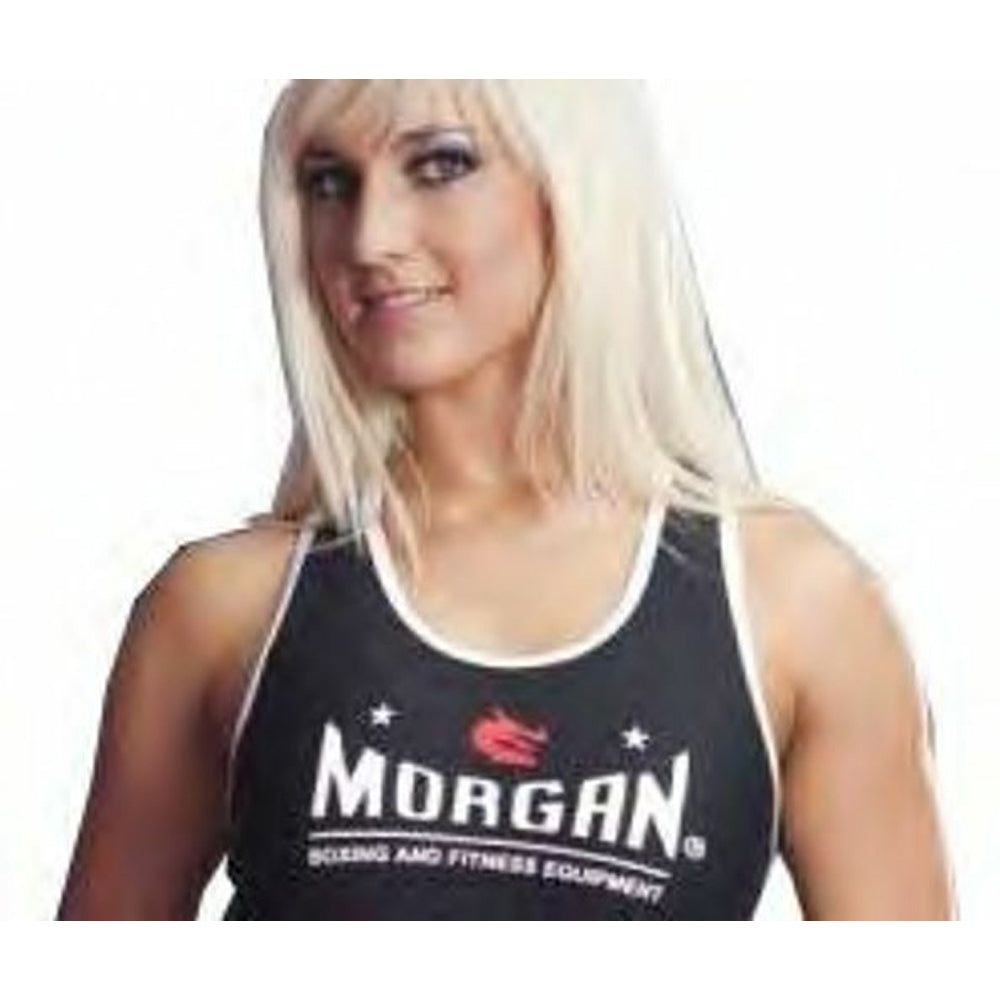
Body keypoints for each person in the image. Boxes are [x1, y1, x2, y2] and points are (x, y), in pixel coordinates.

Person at [57, 79, 956, 920]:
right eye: (329, 181)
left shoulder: (796, 607)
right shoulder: (221, 609)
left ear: (576, 187)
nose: (368, 238)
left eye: (440, 164)